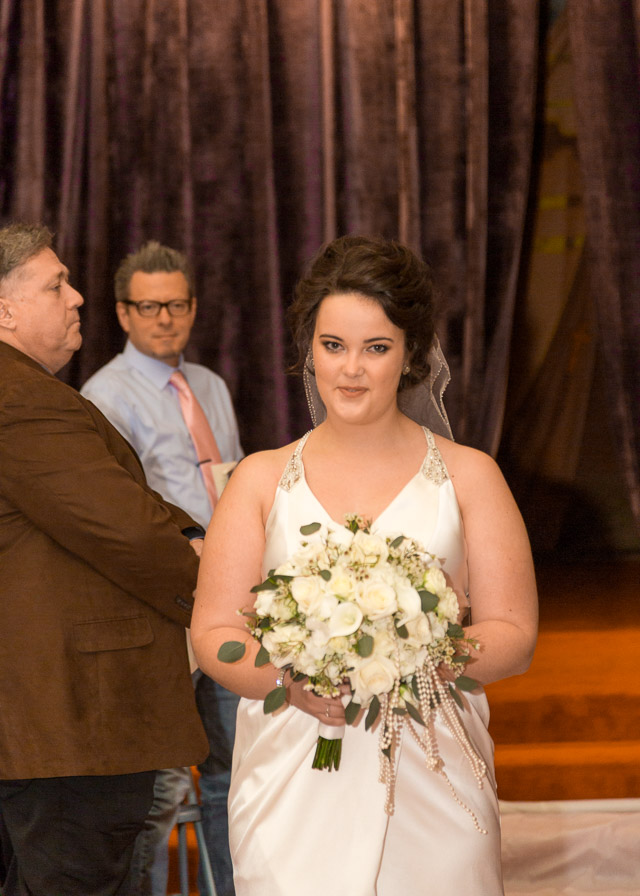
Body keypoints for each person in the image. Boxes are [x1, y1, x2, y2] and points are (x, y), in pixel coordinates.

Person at [190, 235, 538, 895]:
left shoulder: (470, 477)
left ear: (411, 354)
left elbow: (514, 634)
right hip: (293, 781)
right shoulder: (260, 480)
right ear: (309, 350)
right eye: (333, 345)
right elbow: (214, 633)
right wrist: (289, 679)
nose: (351, 369)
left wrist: (421, 658)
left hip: (433, 776)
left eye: (376, 348)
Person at [0, 223, 209, 896]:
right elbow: (122, 529)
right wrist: (227, 587)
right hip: (69, 723)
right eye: (56, 285)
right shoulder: (19, 396)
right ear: (5, 310)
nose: (78, 297)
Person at [82, 241, 243, 896]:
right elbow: (118, 517)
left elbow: (231, 485)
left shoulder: (210, 385)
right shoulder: (103, 395)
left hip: (227, 600)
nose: (165, 319)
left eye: (176, 304)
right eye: (149, 307)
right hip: (161, 609)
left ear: (194, 308)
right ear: (123, 313)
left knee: (234, 773)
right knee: (162, 783)